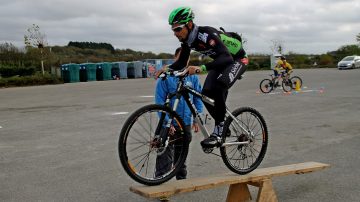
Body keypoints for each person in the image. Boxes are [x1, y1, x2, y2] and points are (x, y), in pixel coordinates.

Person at [157, 6, 248, 148]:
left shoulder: (206, 34)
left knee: (218, 87)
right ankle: (224, 126)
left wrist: (201, 68)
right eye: (173, 29)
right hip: (221, 62)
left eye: (178, 29)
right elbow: (181, 62)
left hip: (237, 60)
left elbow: (227, 58)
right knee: (204, 94)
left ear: (189, 24)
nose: (175, 33)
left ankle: (218, 131)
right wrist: (167, 69)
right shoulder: (187, 40)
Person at [154, 47, 203, 180]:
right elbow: (159, 102)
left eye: (186, 58)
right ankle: (160, 182)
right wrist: (166, 122)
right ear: (175, 58)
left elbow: (198, 97)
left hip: (186, 122)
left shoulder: (192, 77)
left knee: (181, 156)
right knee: (164, 156)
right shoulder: (165, 77)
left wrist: (197, 118)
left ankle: (181, 181)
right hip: (169, 123)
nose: (184, 60)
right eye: (180, 58)